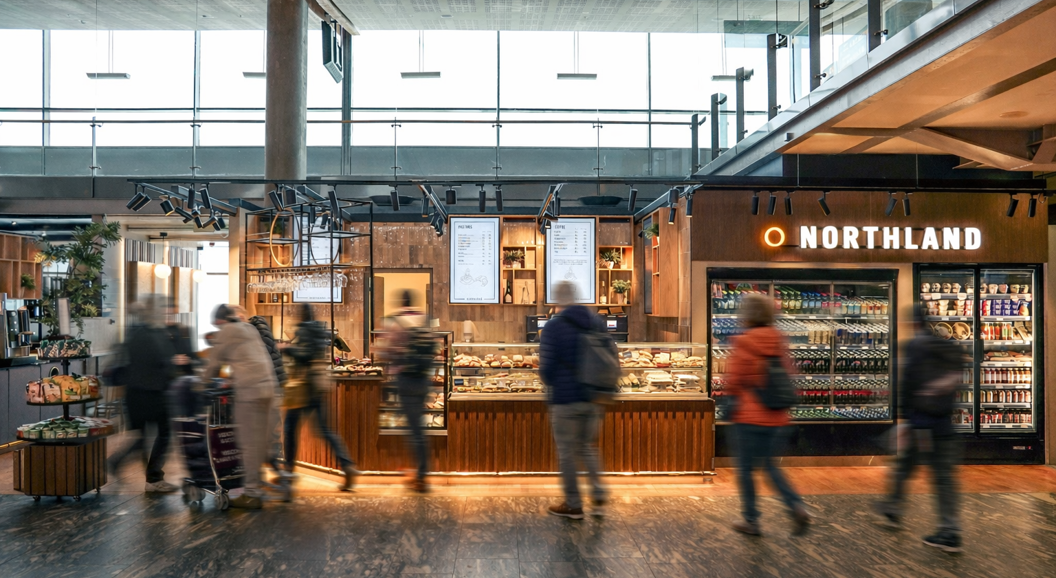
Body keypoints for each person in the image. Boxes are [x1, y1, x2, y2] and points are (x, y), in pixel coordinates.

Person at [876, 308, 965, 553]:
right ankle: (951, 530)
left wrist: (905, 420)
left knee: (907, 464)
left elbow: (907, 384)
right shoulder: (946, 347)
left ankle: (893, 507)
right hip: (944, 425)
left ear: (912, 322)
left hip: (922, 426)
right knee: (943, 476)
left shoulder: (915, 346)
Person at [726, 293, 810, 536]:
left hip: (748, 416)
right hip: (778, 417)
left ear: (747, 315)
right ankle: (796, 506)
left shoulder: (744, 342)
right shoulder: (778, 339)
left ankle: (751, 520)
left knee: (745, 469)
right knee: (771, 467)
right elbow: (790, 374)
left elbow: (734, 380)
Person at [539, 281, 608, 520]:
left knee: (567, 452)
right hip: (593, 397)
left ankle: (573, 504)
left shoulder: (553, 326)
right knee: (587, 447)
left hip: (565, 399)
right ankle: (598, 496)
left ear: (558, 301)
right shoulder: (595, 321)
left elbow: (546, 369)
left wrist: (553, 382)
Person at [108, 294, 188, 493]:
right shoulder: (155, 334)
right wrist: (175, 362)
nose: (167, 311)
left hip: (134, 394)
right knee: (165, 435)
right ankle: (153, 478)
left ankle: (118, 462)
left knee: (141, 437)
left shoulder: (134, 332)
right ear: (156, 311)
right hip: (154, 394)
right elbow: (162, 360)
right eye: (163, 308)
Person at [203, 304, 277, 509]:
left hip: (250, 392)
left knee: (249, 443)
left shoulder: (226, 331)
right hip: (269, 389)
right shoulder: (249, 328)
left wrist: (201, 384)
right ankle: (257, 487)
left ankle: (252, 493)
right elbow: (248, 358)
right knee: (260, 442)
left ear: (219, 321)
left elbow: (214, 363)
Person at [281, 303, 358, 491]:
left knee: (290, 428)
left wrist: (286, 349)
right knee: (324, 430)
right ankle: (347, 465)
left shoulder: (304, 330)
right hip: (317, 386)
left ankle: (288, 474)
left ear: (301, 315)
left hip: (304, 387)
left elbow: (305, 355)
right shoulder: (319, 330)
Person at [376, 290, 433, 493]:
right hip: (423, 380)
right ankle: (418, 471)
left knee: (414, 430)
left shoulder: (395, 321)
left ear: (401, 302)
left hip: (406, 380)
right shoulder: (424, 319)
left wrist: (385, 357)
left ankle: (420, 475)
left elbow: (385, 351)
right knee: (417, 427)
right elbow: (434, 348)